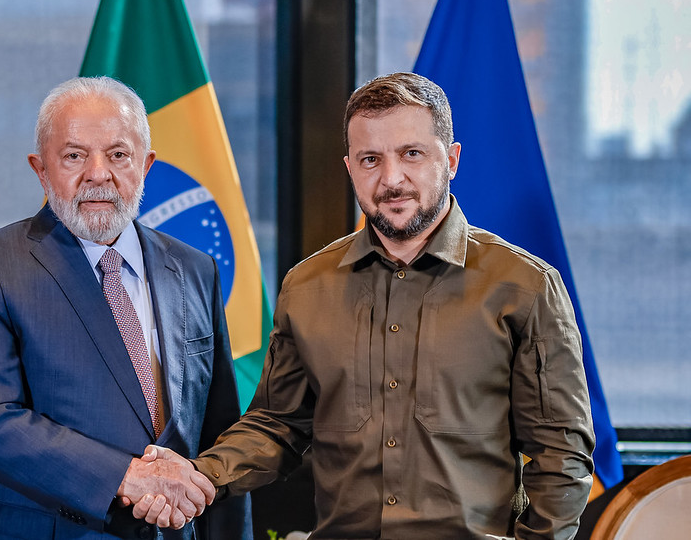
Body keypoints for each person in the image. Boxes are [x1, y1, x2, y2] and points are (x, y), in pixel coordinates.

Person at [152, 72, 594, 539]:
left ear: (452, 160)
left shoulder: (526, 287)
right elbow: (277, 425)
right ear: (349, 169)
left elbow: (561, 454)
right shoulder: (306, 287)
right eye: (370, 159)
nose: (391, 179)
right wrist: (200, 477)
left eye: (412, 154)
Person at [0, 76, 251, 540]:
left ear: (146, 164)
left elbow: (218, 430)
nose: (98, 173)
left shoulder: (195, 268)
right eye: (75, 155)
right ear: (41, 170)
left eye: (118, 154)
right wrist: (126, 476)